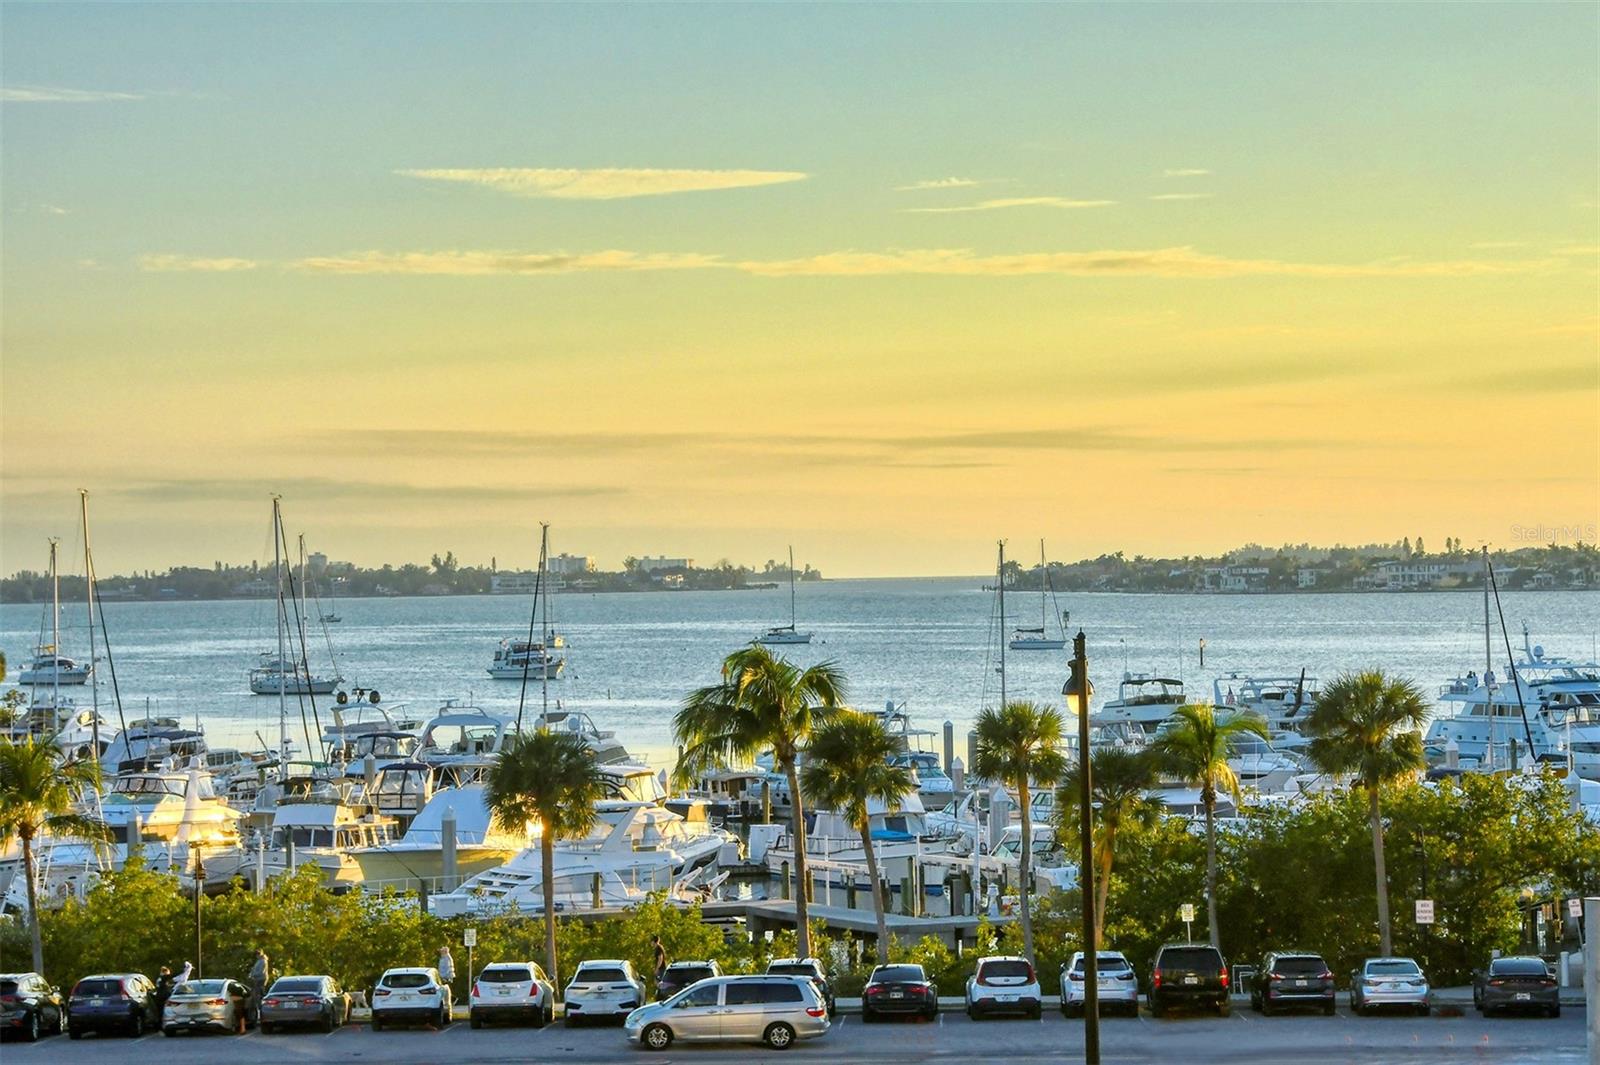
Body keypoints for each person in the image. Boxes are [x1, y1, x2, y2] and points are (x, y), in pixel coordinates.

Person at [248, 949, 270, 1024]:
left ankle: (262, 1013)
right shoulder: (258, 961)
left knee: (259, 995)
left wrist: (253, 975)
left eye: (258, 954)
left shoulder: (263, 961)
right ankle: (259, 1013)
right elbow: (254, 969)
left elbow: (261, 971)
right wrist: (251, 974)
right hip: (257, 979)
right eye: (256, 954)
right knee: (256, 995)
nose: (257, 955)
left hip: (261, 979)